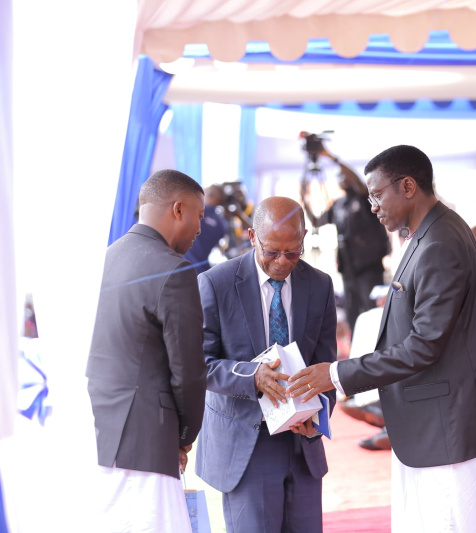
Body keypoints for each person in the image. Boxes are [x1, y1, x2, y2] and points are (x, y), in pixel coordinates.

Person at [288, 145, 476, 532]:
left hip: (453, 424)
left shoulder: (439, 242)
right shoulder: (430, 231)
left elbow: (424, 345)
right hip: (433, 421)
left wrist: (337, 374)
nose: (372, 206)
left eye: (377, 195)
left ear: (408, 187)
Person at [194, 197, 337, 533]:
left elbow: (326, 364)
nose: (282, 261)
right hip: (247, 443)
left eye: (293, 251)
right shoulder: (216, 283)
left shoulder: (320, 284)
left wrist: (318, 416)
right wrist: (252, 376)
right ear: (252, 237)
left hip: (302, 445)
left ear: (304, 238)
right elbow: (200, 363)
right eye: (272, 251)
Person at [86, 169, 208, 532]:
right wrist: (184, 437)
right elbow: (188, 371)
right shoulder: (174, 269)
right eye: (199, 216)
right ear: (178, 209)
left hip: (102, 432)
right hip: (150, 441)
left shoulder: (105, 257)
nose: (200, 229)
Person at [304, 148, 390, 332]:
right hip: (348, 268)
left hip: (368, 266)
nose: (341, 178)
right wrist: (305, 202)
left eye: (344, 175)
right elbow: (317, 222)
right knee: (352, 312)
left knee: (372, 309)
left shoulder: (366, 198)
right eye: (339, 176)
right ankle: (355, 344)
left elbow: (358, 181)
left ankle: (378, 342)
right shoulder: (339, 204)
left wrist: (333, 158)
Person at [183, 184, 229, 274]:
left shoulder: (195, 211)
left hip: (184, 264)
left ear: (209, 195)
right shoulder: (222, 223)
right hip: (202, 268)